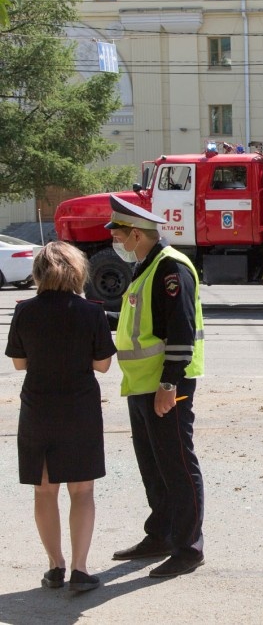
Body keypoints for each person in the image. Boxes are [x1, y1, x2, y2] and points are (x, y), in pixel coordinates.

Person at [104, 195, 207, 578]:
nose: (115, 240)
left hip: (166, 385)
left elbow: (180, 331)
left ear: (135, 234)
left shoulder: (170, 269)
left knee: (178, 465)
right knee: (154, 466)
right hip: (142, 384)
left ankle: (188, 547)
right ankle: (161, 533)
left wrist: (169, 383)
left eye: (118, 233)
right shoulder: (146, 266)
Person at [5, 242, 115, 592]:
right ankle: (81, 570)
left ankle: (55, 566)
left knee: (44, 490)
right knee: (82, 491)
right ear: (77, 272)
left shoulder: (25, 311)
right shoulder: (92, 312)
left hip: (38, 407)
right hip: (80, 408)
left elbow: (19, 363)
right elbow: (102, 365)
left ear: (38, 273)